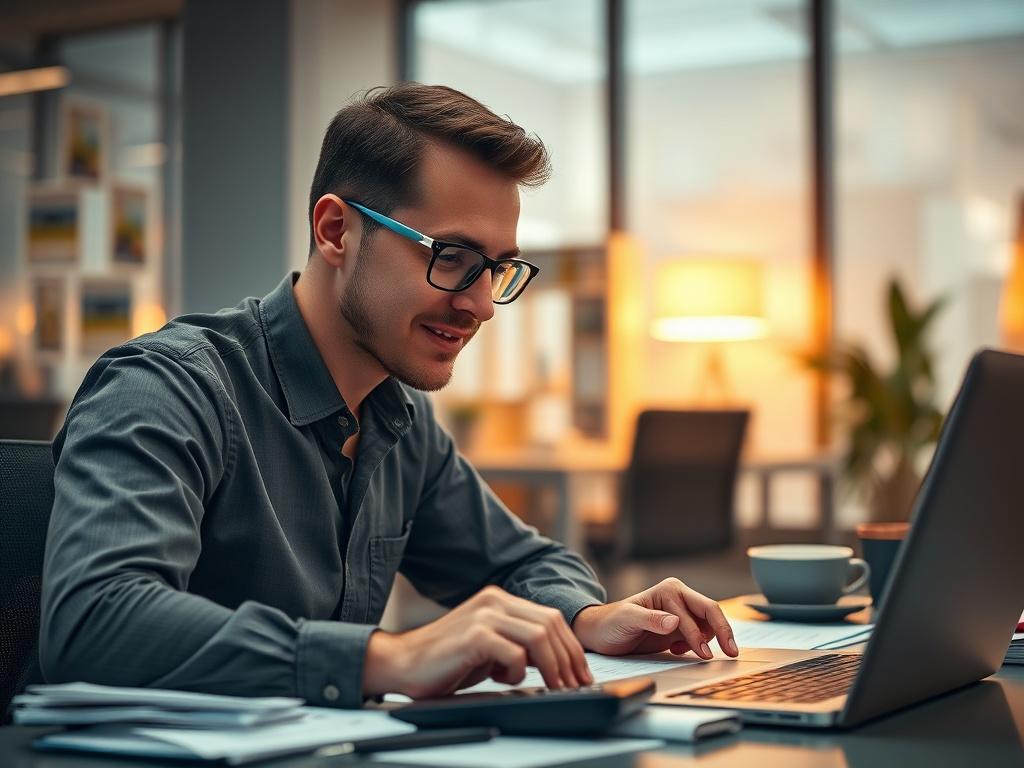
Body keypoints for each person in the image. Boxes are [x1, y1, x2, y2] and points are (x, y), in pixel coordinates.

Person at [40, 83, 738, 709]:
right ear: (336, 231)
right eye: (453, 257)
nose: (482, 305)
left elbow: (522, 562)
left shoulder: (397, 419)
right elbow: (96, 618)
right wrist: (391, 657)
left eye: (497, 269)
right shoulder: (166, 387)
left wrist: (588, 618)